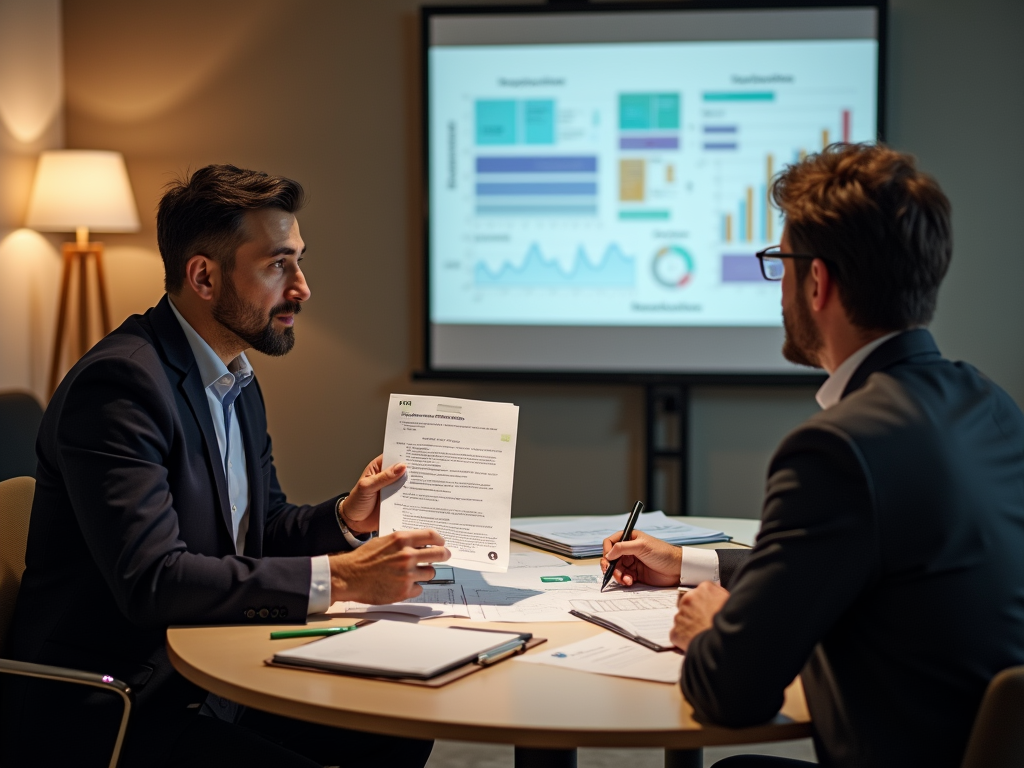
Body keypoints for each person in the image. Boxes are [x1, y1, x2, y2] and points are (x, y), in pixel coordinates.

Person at [0, 165, 448, 768]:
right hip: (126, 706)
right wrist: (343, 578)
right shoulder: (119, 387)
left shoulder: (233, 377)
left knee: (401, 721)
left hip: (216, 674)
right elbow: (154, 582)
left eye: (300, 260)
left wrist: (346, 517)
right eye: (277, 264)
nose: (303, 288)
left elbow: (260, 531)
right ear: (204, 276)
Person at [601, 144, 1024, 768]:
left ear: (818, 281)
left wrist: (711, 628)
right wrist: (691, 565)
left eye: (781, 265)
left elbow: (730, 695)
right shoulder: (989, 403)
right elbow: (851, 568)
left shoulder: (838, 448)